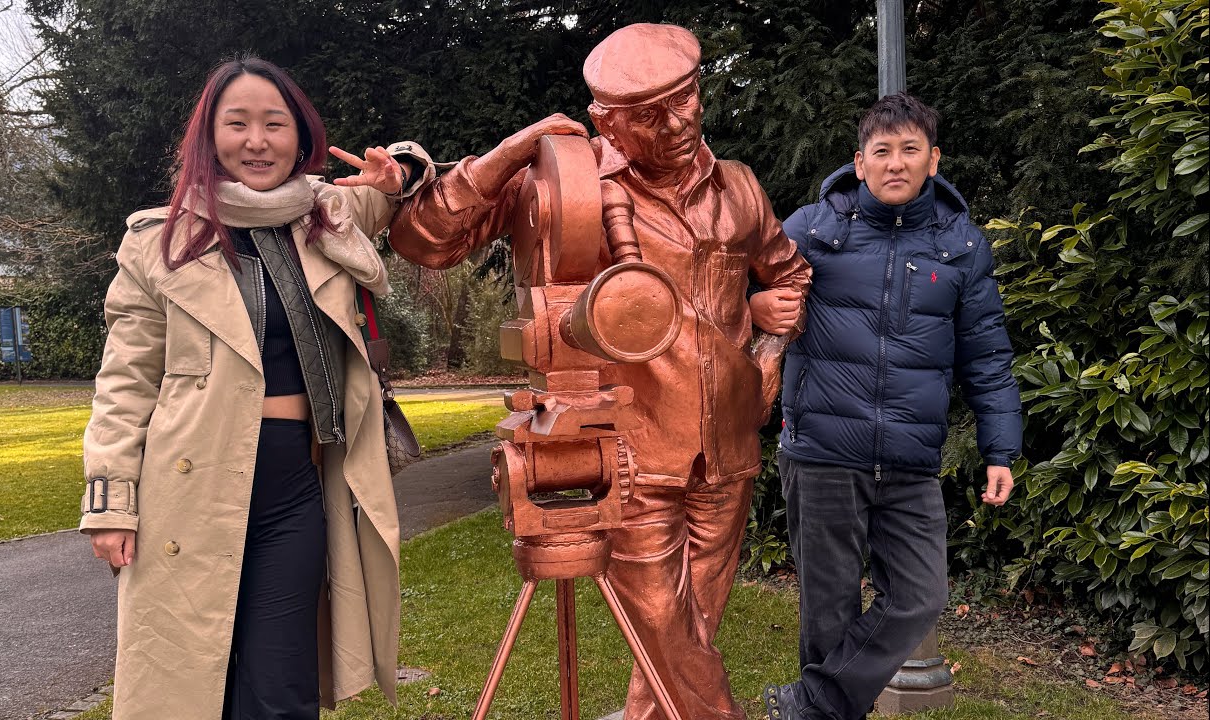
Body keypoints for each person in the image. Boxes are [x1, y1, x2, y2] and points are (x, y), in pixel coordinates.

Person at [389, 23, 811, 720]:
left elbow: (789, 276)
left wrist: (767, 353)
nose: (676, 123)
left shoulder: (738, 186)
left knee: (688, 632)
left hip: (727, 451)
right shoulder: (560, 186)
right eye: (648, 114)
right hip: (627, 453)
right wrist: (511, 152)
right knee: (667, 629)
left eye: (686, 99)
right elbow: (424, 239)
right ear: (603, 121)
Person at [78, 56, 435, 720]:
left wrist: (402, 170)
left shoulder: (324, 212)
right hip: (185, 490)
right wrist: (110, 504)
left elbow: (401, 180)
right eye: (236, 123)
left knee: (281, 687)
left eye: (274, 123)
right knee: (192, 684)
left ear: (302, 137)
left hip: (295, 489)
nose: (256, 140)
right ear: (209, 138)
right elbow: (124, 383)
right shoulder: (158, 242)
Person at [755, 93, 1022, 720]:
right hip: (821, 452)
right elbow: (725, 294)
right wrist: (754, 308)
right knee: (827, 612)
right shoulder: (810, 231)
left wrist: (999, 449)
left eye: (910, 150)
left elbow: (987, 355)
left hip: (909, 459)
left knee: (920, 597)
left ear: (933, 160)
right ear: (859, 161)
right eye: (882, 151)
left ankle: (811, 706)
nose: (895, 163)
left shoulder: (961, 246)